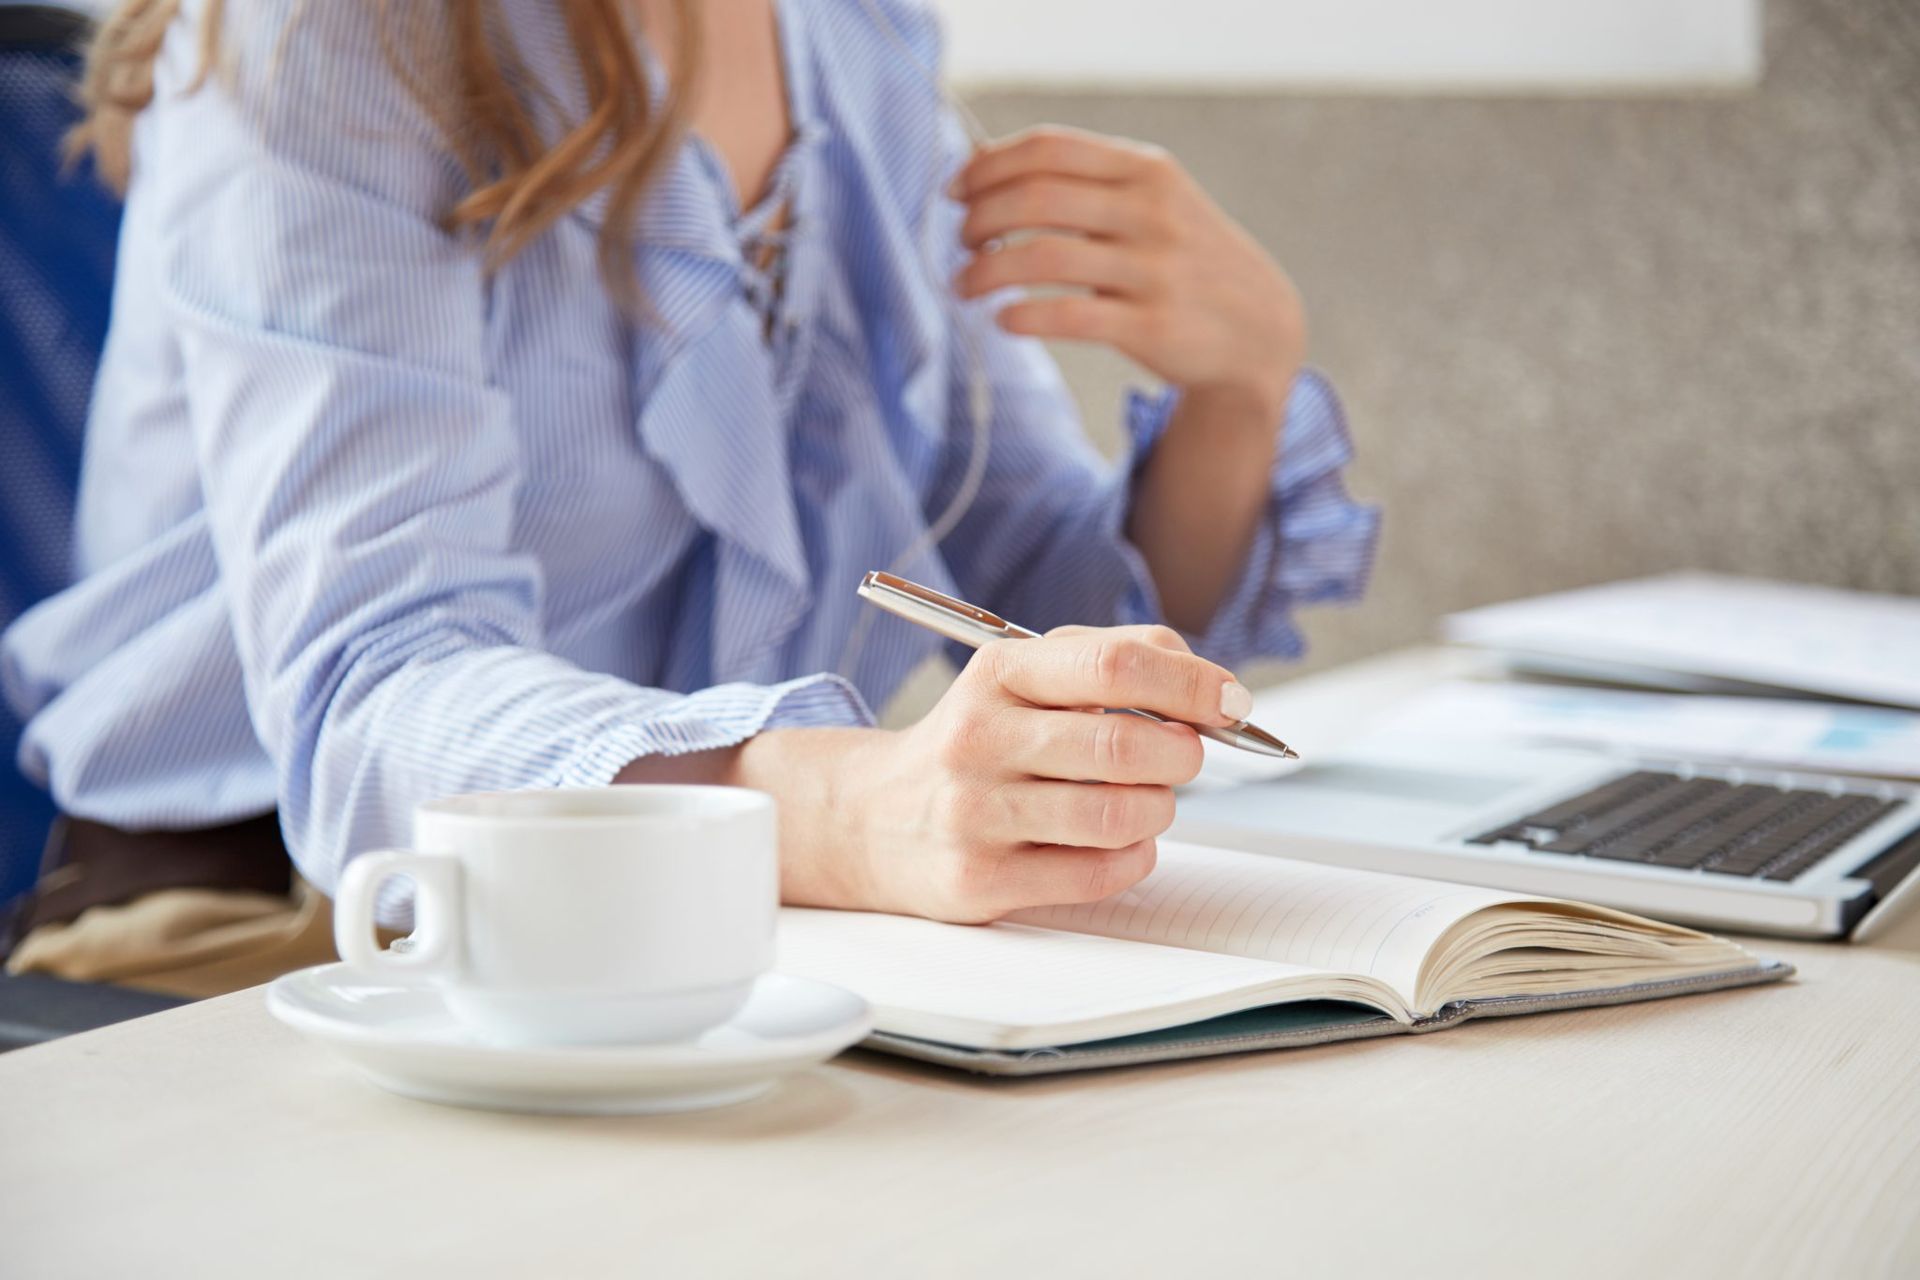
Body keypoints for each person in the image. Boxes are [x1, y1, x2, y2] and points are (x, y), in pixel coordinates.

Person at [0, 0, 1376, 987]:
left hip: (687, 917)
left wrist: (1237, 388)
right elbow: (375, 685)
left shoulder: (860, 42)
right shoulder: (325, 37)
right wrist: (849, 808)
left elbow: (1039, 600)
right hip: (276, 927)